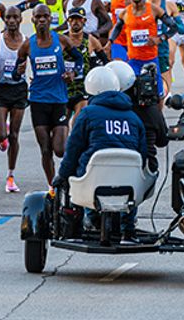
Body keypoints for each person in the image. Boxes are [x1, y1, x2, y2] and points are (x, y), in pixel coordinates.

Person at [52, 66, 149, 243]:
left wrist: (62, 176)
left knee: (78, 170)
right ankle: (127, 230)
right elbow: (142, 154)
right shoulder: (133, 117)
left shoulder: (87, 114)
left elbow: (73, 150)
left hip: (91, 181)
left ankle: (80, 224)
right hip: (128, 183)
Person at [16, 4, 74, 190]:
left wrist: (72, 73)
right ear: (32, 20)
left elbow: (78, 59)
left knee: (60, 149)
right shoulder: (27, 45)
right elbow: (16, 73)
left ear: (50, 19)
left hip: (59, 100)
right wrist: (19, 72)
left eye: (45, 16)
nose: (41, 20)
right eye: (38, 17)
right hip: (38, 102)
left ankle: (68, 175)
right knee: (46, 149)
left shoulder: (62, 40)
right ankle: (53, 187)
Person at [109, 0, 181, 97]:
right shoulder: (125, 12)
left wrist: (160, 38)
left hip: (151, 61)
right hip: (133, 61)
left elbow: (174, 27)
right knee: (129, 95)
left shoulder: (154, 10)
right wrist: (110, 41)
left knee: (158, 95)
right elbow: (117, 27)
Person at [0, 6, 27, 193]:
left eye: (15, 17)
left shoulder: (26, 42)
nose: (11, 21)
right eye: (8, 18)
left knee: (14, 135)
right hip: (2, 90)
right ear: (4, 20)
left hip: (19, 90)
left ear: (21, 19)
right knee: (0, 135)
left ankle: (11, 176)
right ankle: (0, 133)